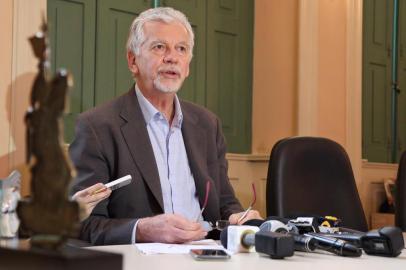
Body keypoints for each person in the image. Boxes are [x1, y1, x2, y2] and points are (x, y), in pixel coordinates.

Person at [69, 7, 261, 246]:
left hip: (207, 253)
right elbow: (82, 223)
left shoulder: (208, 124)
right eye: (159, 47)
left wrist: (237, 217)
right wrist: (142, 229)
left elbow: (224, 202)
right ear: (132, 60)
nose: (172, 57)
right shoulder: (97, 127)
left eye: (181, 49)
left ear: (188, 65)